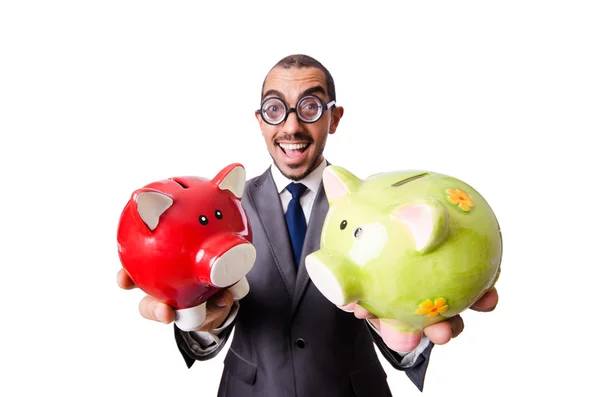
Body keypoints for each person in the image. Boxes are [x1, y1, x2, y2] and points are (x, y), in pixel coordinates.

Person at [117, 54, 499, 396]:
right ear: (260, 121)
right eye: (275, 109)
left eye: (311, 107)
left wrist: (412, 325)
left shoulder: (372, 214)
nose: (292, 126)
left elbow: (400, 341)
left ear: (334, 118)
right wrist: (202, 319)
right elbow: (202, 334)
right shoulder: (226, 210)